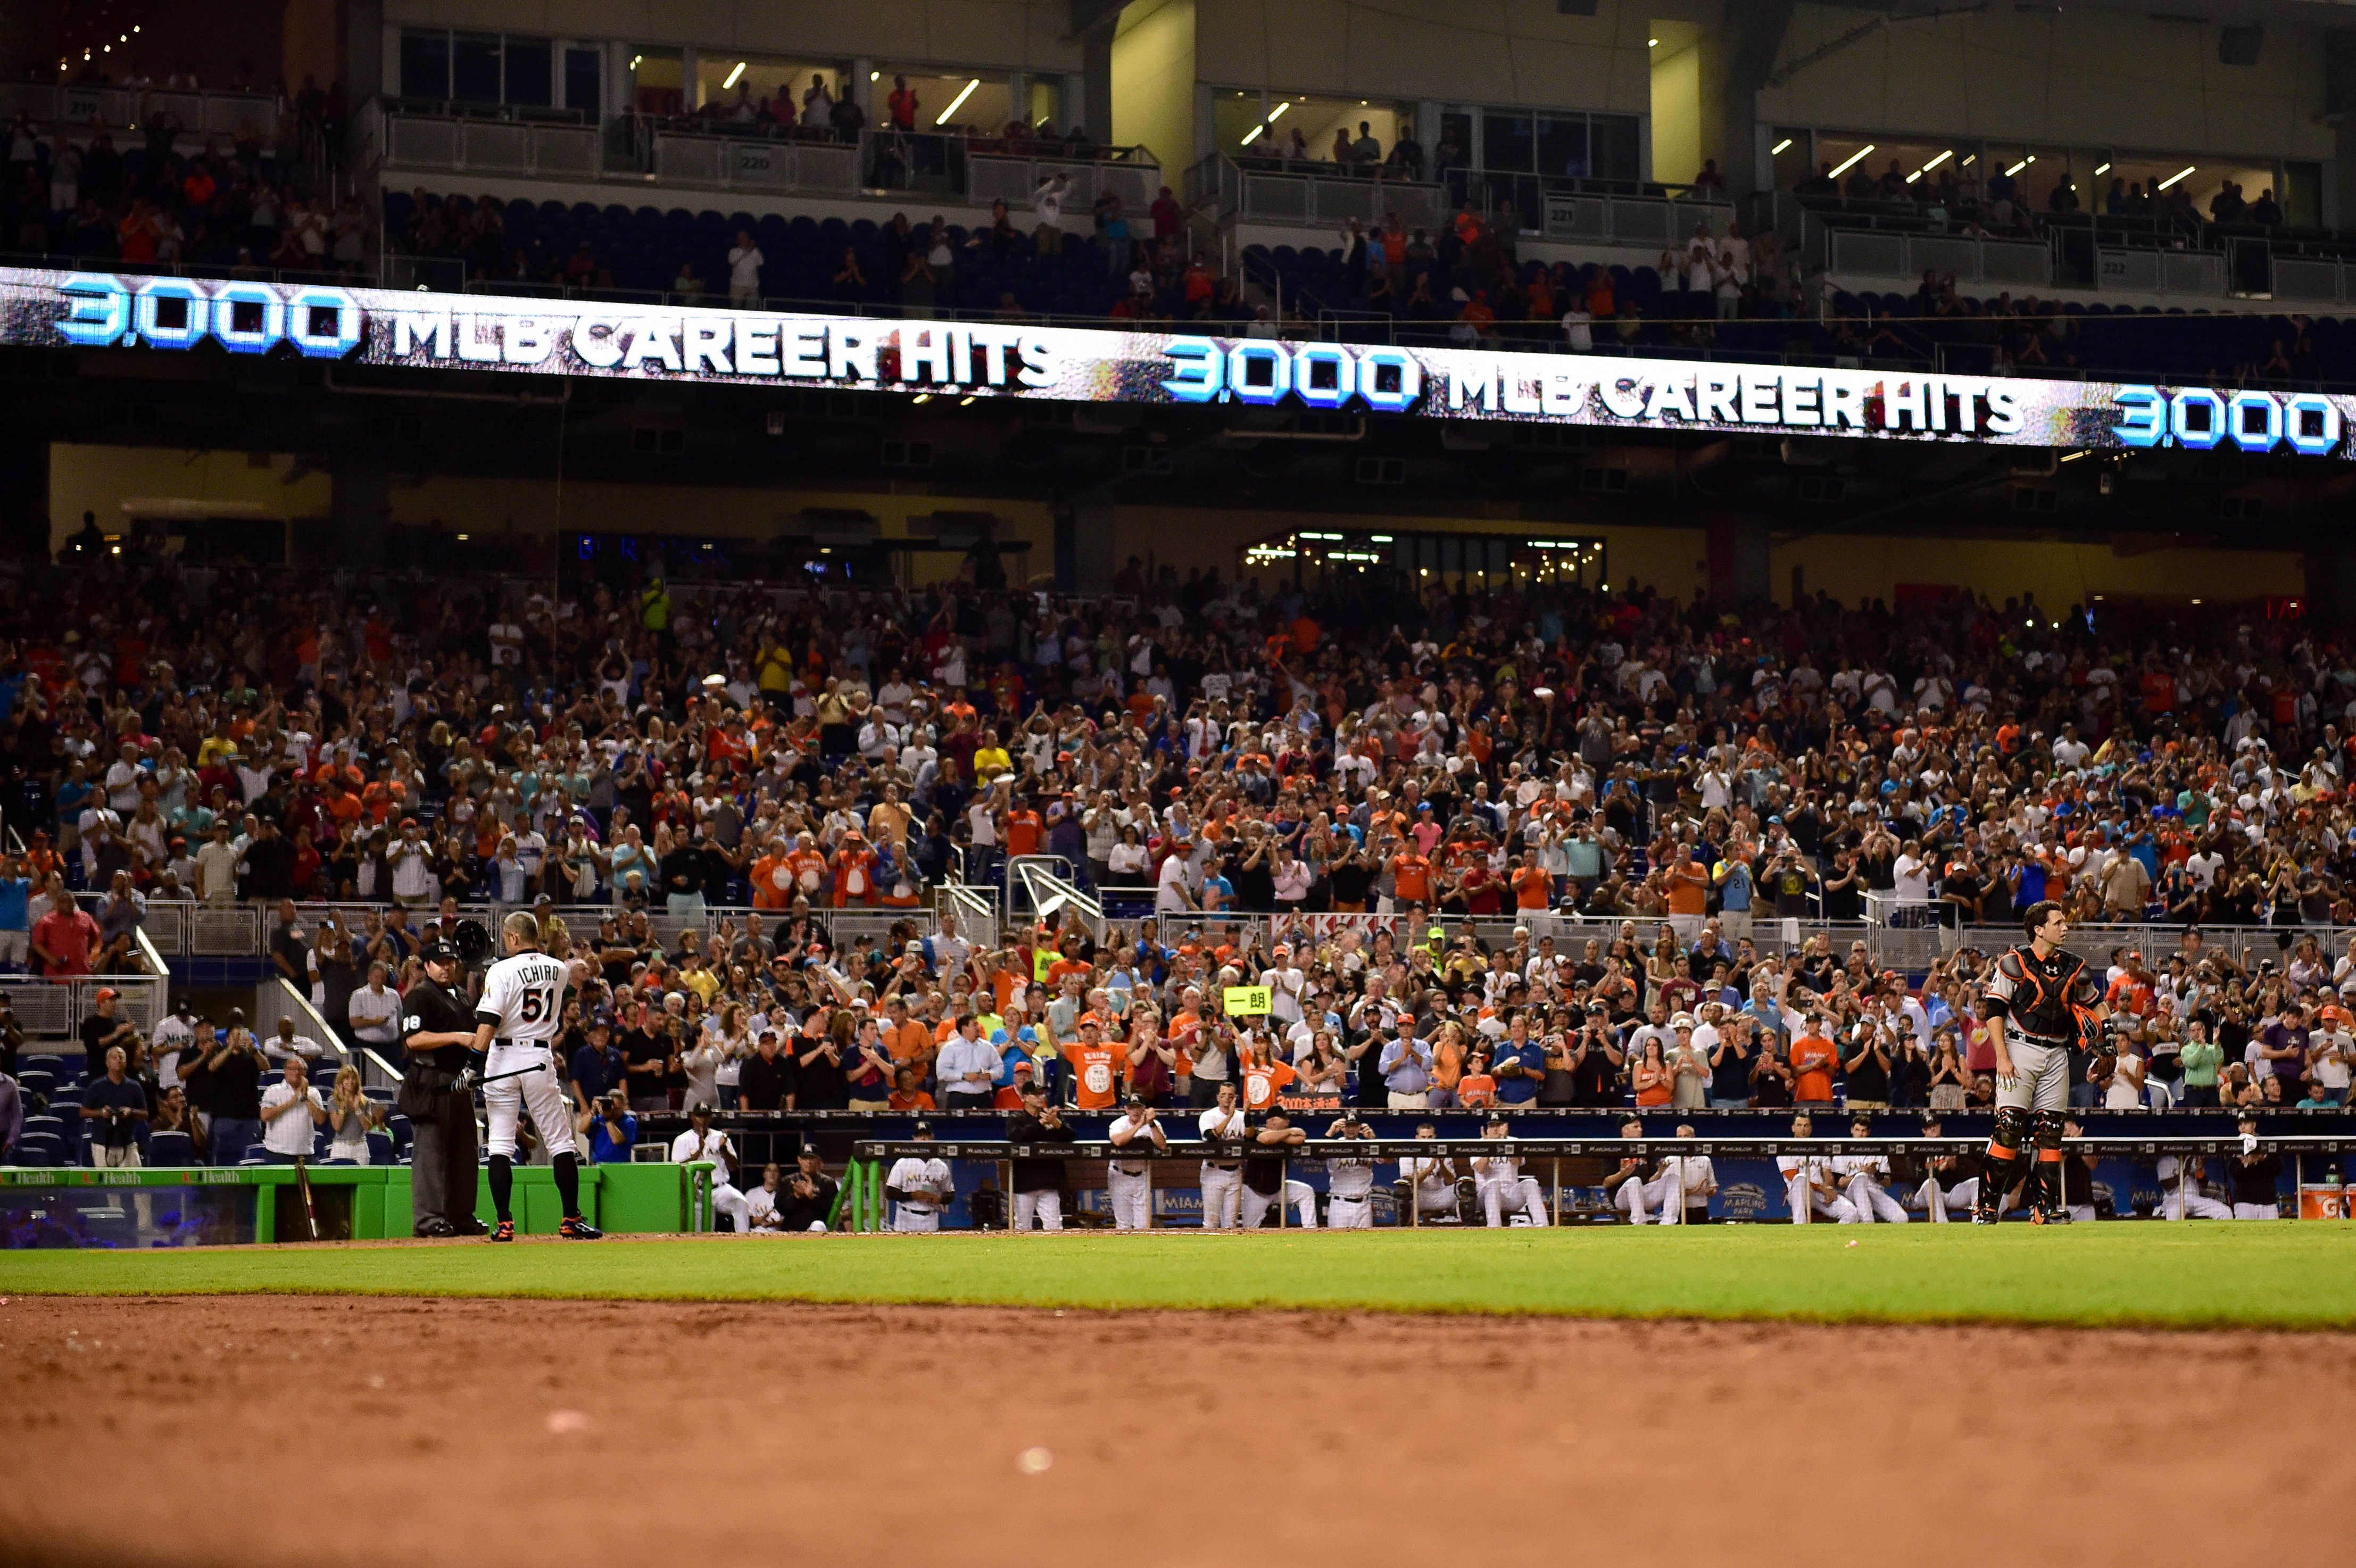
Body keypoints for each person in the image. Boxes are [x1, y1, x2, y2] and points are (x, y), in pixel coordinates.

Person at [468, 911, 600, 1241]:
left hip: (502, 1056)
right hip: (539, 1055)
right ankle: (571, 1218)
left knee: (499, 1143)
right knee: (560, 1142)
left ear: (513, 938)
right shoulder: (558, 969)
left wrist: (473, 1063)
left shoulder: (500, 969)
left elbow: (489, 1021)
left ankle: (505, 1224)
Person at [1978, 900, 2112, 1223]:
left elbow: (2097, 1003)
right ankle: (1986, 1207)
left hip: (2057, 1052)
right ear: (2039, 929)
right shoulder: (2014, 963)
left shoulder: (2074, 966)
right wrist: (2002, 1058)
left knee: (2052, 1132)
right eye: (2058, 923)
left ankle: (2043, 1209)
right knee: (2009, 1128)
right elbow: (1994, 1012)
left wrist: (2106, 1036)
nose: (2065, 927)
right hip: (2019, 1047)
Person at [398, 939, 485, 1236]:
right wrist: (457, 1036)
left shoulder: (460, 994)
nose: (447, 967)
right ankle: (428, 1219)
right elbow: (413, 1040)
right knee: (431, 1154)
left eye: (451, 962)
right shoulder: (419, 996)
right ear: (426, 966)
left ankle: (461, 1215)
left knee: (465, 1153)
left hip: (460, 1081)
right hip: (431, 1081)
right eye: (440, 963)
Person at [1005, 1080, 1077, 1230]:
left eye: (1042, 1094)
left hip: (1049, 1182)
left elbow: (1070, 1137)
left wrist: (1056, 1122)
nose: (1040, 1097)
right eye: (1035, 1094)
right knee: (1022, 1227)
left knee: (1054, 1227)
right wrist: (1041, 1123)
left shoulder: (1052, 1117)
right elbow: (1018, 1137)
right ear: (1025, 1097)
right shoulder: (1017, 1118)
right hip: (1025, 1183)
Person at [670, 1105, 749, 1232]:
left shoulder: (720, 1137)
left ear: (711, 1118)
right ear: (693, 1117)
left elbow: (734, 1167)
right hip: (696, 1192)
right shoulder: (682, 1140)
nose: (703, 1120)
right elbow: (677, 1170)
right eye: (699, 1116)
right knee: (701, 1228)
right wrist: (698, 1153)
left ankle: (745, 1243)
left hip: (720, 1189)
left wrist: (723, 1150)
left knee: (740, 1203)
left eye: (706, 1116)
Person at [1238, 1106, 1316, 1228]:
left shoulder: (1283, 1135)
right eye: (1283, 1119)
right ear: (1272, 1121)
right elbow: (1266, 1139)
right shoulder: (1258, 1131)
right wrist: (1289, 1132)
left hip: (1278, 1188)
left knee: (1306, 1192)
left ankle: (1311, 1229)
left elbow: (1301, 1138)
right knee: (1250, 1228)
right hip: (1256, 1191)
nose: (1288, 1122)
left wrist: (1283, 1135)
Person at [1777, 1111, 1860, 1223]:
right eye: (1799, 1126)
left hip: (1820, 1193)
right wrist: (1823, 1189)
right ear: (1793, 1128)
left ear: (1811, 1128)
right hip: (1798, 1194)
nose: (1803, 1129)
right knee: (1800, 1179)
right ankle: (1800, 1228)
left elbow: (1827, 1173)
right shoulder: (1785, 1148)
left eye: (1806, 1126)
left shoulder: (1819, 1147)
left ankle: (1833, 1238)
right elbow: (1792, 1176)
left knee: (1852, 1213)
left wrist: (1829, 1188)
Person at [1471, 1111, 1549, 1226]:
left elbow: (1516, 1162)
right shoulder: (1478, 1144)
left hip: (1511, 1196)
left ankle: (1542, 1226)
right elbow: (1480, 1168)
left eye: (1498, 1125)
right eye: (1492, 1126)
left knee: (1531, 1183)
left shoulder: (1513, 1142)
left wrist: (1504, 1141)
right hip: (1486, 1197)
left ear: (1505, 1126)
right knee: (1494, 1184)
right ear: (1487, 1129)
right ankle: (1494, 1228)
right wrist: (1489, 1146)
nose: (1495, 1129)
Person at [1104, 1092, 1166, 1230]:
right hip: (1120, 1175)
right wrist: (1139, 1125)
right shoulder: (1118, 1124)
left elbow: (1162, 1145)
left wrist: (1150, 1123)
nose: (1135, 1111)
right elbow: (1118, 1141)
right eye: (1132, 1108)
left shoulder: (1153, 1125)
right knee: (1123, 1225)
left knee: (1144, 1226)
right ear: (1126, 1109)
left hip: (1142, 1176)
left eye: (1138, 1108)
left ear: (1144, 1109)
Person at [81, 1043, 147, 1168]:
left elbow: (145, 1114)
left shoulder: (134, 1087)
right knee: (104, 1187)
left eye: (121, 1057)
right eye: (114, 1057)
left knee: (135, 1183)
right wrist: (101, 1113)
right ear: (107, 1063)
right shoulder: (97, 1086)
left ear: (126, 1062)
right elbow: (83, 1112)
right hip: (102, 1144)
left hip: (127, 1143)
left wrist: (131, 1112)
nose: (118, 1060)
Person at [1836, 1114, 1909, 1223]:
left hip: (1875, 1191)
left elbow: (1888, 1183)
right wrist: (1861, 1173)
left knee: (1902, 1218)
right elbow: (1841, 1183)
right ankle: (1868, 1223)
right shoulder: (1843, 1150)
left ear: (1868, 1133)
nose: (1860, 1134)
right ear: (1852, 1130)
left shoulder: (1878, 1150)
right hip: (1851, 1193)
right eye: (1857, 1130)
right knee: (1861, 1177)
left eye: (1864, 1131)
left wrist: (1875, 1173)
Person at [1910, 1114, 1983, 1222]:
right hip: (1924, 1196)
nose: (1933, 1129)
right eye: (1929, 1127)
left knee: (1976, 1182)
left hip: (1949, 1194)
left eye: (1935, 1125)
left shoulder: (1950, 1146)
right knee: (1932, 1183)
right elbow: (1918, 1180)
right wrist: (1941, 1168)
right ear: (1923, 1131)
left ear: (1940, 1126)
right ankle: (1942, 1223)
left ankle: (1978, 1221)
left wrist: (1954, 1168)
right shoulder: (1917, 1148)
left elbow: (1965, 1175)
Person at [256, 1052, 327, 1163]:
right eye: (292, 1069)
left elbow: (321, 1119)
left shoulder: (313, 1093)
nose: (296, 1073)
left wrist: (305, 1097)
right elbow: (265, 1116)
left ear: (305, 1072)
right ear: (285, 1072)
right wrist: (293, 1100)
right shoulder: (273, 1091)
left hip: (306, 1154)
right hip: (277, 1153)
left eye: (300, 1069)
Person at [885, 1119, 952, 1231]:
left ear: (932, 1137)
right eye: (919, 1136)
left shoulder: (941, 1166)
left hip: (931, 1218)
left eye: (926, 1135)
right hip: (906, 1217)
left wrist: (940, 1198)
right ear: (914, 1138)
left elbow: (950, 1195)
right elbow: (890, 1193)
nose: (923, 1139)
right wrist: (912, 1195)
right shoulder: (903, 1162)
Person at [1322, 1108, 1377, 1227]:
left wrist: (1374, 1139)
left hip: (1364, 1204)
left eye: (1354, 1126)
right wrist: (1330, 1133)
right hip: (1340, 1204)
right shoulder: (1333, 1145)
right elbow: (1318, 1156)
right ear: (1342, 1128)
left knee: (1366, 1243)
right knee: (1337, 1243)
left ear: (1360, 1128)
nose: (1351, 1129)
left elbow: (1389, 1160)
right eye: (1348, 1126)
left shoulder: (1369, 1146)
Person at [2229, 1114, 2281, 1218]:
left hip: (2268, 1201)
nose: (2242, 1127)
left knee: (2272, 1234)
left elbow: (2278, 1169)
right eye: (2240, 1124)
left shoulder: (2266, 1144)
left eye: (2246, 1123)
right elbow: (2235, 1173)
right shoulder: (2234, 1145)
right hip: (2244, 1201)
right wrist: (2248, 1163)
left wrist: (2262, 1158)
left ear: (2254, 1125)